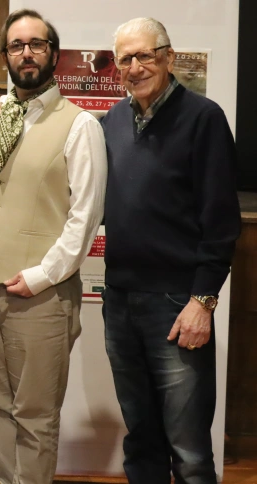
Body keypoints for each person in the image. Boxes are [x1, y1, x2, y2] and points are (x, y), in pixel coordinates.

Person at [0, 9, 106, 484]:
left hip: (41, 294)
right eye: (16, 45)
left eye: (36, 44)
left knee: (36, 412)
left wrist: (43, 276)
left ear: (53, 53)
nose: (25, 53)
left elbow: (84, 218)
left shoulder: (80, 126)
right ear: (5, 54)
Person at [101, 18, 240, 483]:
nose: (135, 67)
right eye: (125, 58)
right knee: (140, 439)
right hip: (118, 302)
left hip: (177, 305)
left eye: (145, 55)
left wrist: (202, 301)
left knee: (189, 447)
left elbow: (221, 222)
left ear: (168, 56)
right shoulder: (112, 122)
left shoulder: (204, 118)